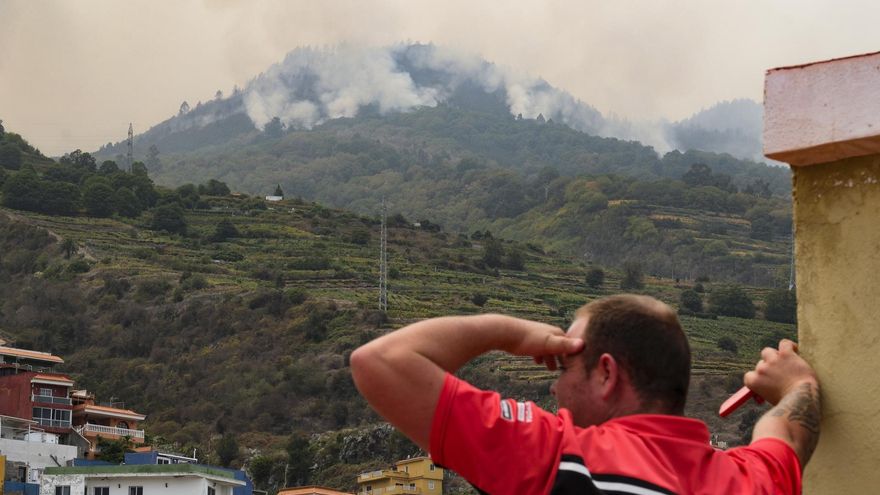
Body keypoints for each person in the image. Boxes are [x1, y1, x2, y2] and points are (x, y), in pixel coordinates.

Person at [351, 294, 820, 494]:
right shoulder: (751, 480)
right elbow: (790, 431)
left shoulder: (560, 459)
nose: (554, 385)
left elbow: (379, 362)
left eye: (563, 363)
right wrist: (796, 382)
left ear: (607, 373)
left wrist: (508, 332)